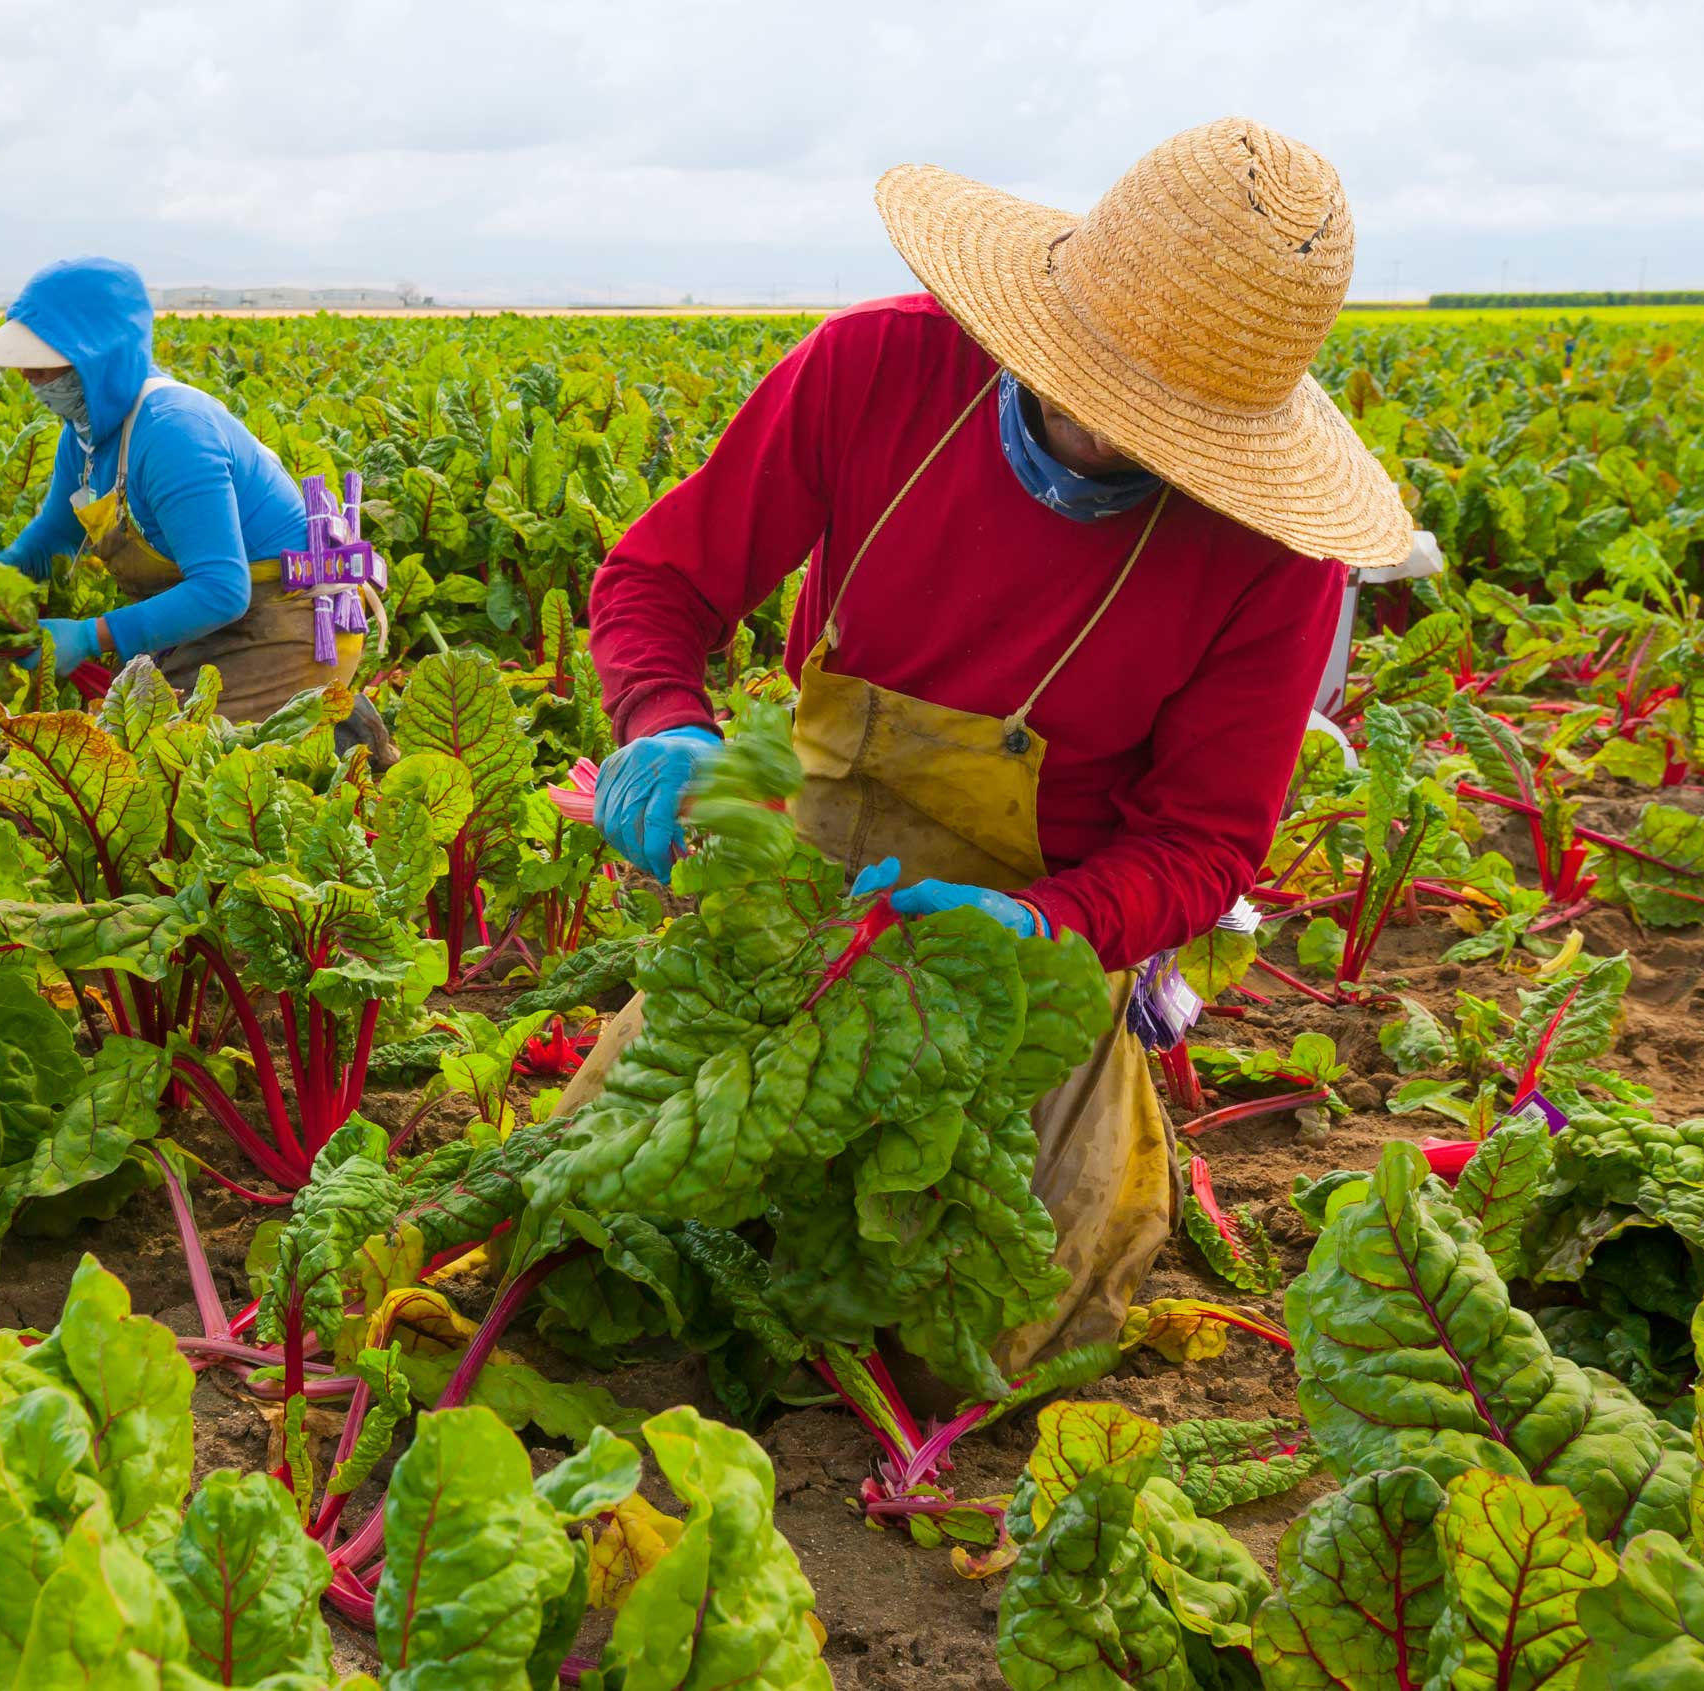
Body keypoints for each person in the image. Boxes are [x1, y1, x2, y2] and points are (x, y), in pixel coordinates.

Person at [571, 119, 1418, 1373]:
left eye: (1172, 429)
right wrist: (664, 727)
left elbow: (1204, 843)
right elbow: (658, 581)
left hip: (1034, 948)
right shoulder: (876, 369)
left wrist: (1041, 929)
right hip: (808, 892)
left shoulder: (1276, 556)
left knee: (1009, 1311)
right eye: (1098, 387)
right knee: (610, 1213)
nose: (1114, 440)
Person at [0, 257, 392, 759]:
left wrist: (88, 635)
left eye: (44, 365)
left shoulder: (172, 431)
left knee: (155, 758)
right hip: (208, 624)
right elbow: (55, 534)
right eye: (25, 365)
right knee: (129, 741)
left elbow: (221, 590)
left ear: (100, 357)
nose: (29, 378)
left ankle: (329, 720)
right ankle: (314, 718)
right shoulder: (84, 436)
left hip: (284, 622)